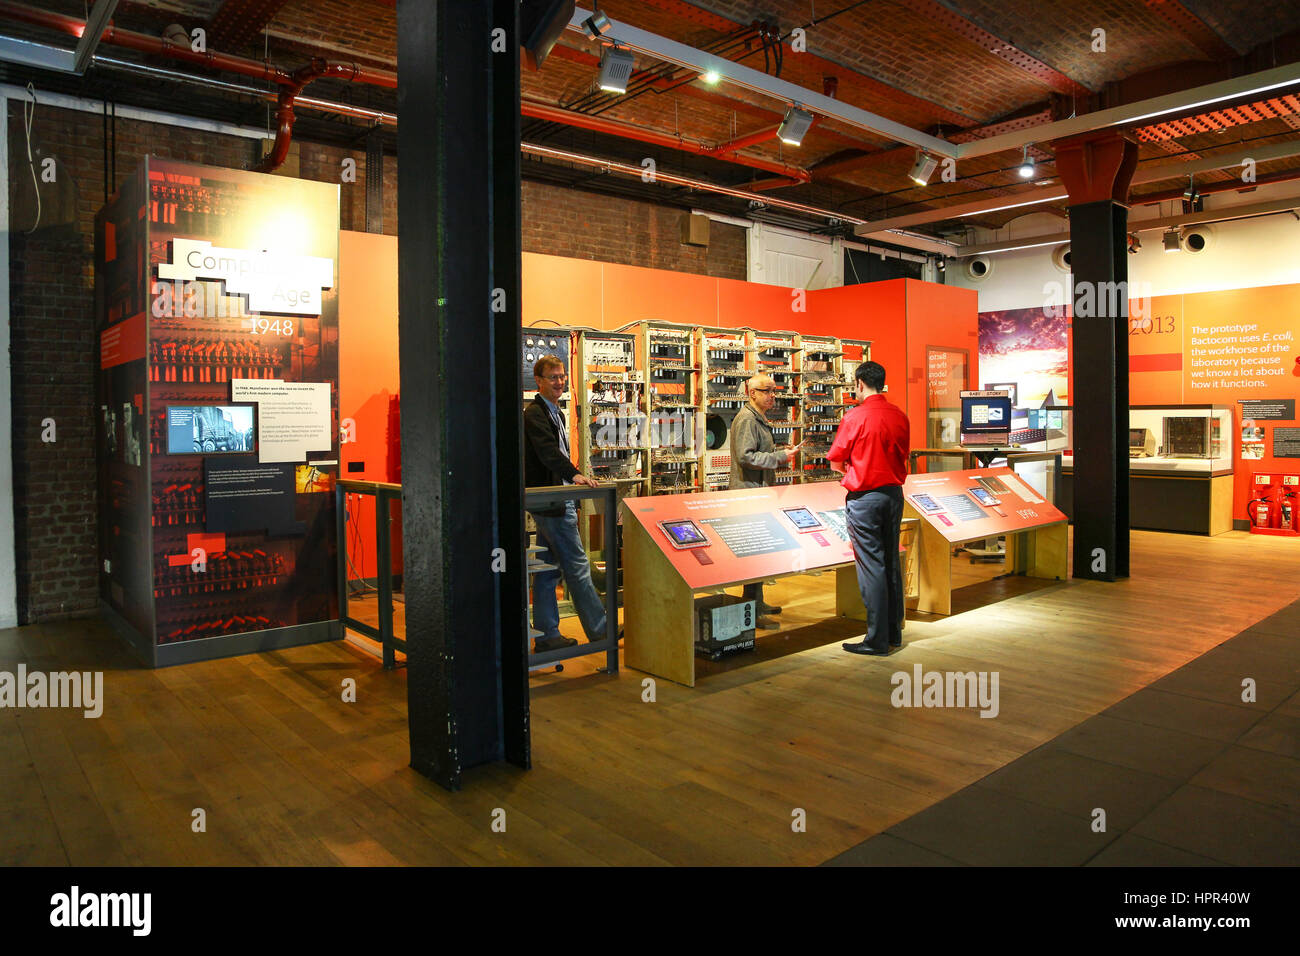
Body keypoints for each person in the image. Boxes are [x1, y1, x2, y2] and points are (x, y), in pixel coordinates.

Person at [524, 355, 608, 653]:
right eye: (553, 377)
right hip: (552, 502)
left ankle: (548, 635)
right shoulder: (534, 414)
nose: (559, 382)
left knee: (547, 571)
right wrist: (575, 475)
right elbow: (548, 453)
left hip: (556, 500)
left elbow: (554, 453)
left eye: (562, 376)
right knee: (577, 566)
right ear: (539, 381)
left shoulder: (555, 412)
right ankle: (600, 632)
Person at [826, 361, 910, 655]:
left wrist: (851, 469)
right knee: (890, 562)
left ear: (860, 384)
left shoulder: (854, 417)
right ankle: (894, 632)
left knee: (871, 566)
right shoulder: (899, 416)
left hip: (865, 499)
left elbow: (836, 456)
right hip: (893, 495)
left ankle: (876, 640)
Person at [729, 372, 801, 629]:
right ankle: (752, 609)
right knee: (753, 555)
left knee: (759, 553)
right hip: (748, 493)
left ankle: (756, 600)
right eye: (768, 391)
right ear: (752, 394)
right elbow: (745, 456)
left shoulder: (757, 417)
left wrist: (778, 454)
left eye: (774, 391)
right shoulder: (748, 420)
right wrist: (779, 458)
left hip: (757, 490)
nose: (773, 395)